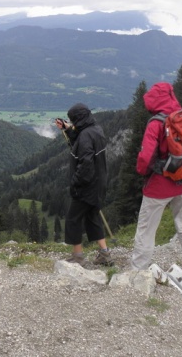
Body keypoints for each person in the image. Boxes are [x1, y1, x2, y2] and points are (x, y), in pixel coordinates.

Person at [130, 82, 182, 282]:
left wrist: (142, 172)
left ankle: (138, 270)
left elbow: (146, 158)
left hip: (159, 186)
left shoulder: (156, 123)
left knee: (147, 227)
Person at [55, 103, 112, 267]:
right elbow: (79, 139)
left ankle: (78, 257)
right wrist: (67, 128)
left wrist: (75, 182)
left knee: (73, 218)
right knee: (92, 216)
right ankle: (105, 254)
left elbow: (86, 164)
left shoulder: (86, 136)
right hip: (99, 183)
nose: (72, 123)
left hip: (86, 186)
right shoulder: (95, 130)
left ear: (78, 119)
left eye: (73, 120)